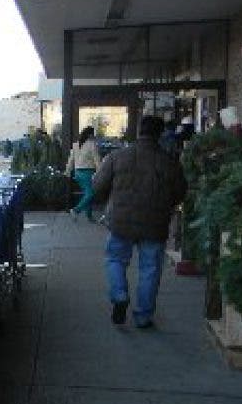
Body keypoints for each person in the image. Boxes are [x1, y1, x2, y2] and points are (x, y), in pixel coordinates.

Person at [92, 115, 187, 329]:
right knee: (150, 269)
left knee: (115, 260)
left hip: (121, 222)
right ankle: (143, 317)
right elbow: (180, 192)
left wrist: (112, 198)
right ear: (160, 134)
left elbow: (98, 187)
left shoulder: (117, 157)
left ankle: (119, 294)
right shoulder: (169, 161)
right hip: (155, 223)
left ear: (138, 132)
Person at [65, 126, 103, 221]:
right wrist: (101, 171)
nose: (94, 136)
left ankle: (89, 216)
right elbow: (97, 159)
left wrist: (67, 172)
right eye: (93, 133)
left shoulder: (75, 144)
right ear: (90, 134)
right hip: (88, 173)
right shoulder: (92, 144)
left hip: (77, 173)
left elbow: (71, 160)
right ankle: (75, 210)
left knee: (87, 194)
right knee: (90, 194)